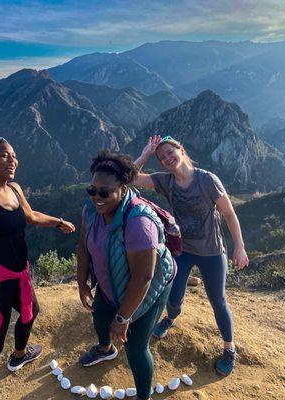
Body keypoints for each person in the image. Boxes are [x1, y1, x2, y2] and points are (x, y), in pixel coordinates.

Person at [0, 134, 75, 400]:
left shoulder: (15, 189)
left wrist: (58, 221)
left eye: (13, 155)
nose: (12, 160)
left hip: (19, 275)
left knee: (31, 312)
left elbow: (31, 216)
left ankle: (19, 356)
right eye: (4, 155)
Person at [133, 135, 249, 376]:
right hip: (182, 250)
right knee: (172, 298)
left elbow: (229, 213)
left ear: (182, 150)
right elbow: (130, 178)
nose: (167, 158)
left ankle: (229, 349)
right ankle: (171, 317)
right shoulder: (165, 181)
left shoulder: (207, 180)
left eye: (170, 152)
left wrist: (239, 247)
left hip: (212, 252)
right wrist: (145, 154)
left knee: (218, 300)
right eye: (162, 156)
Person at [77, 150, 175, 400]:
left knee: (135, 346)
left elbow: (143, 277)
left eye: (104, 192)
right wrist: (82, 282)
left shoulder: (140, 223)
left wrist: (122, 318)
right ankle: (104, 348)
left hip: (148, 291)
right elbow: (83, 245)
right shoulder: (91, 210)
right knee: (100, 318)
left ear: (122, 188)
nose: (96, 197)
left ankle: (144, 396)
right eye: (92, 190)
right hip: (114, 282)